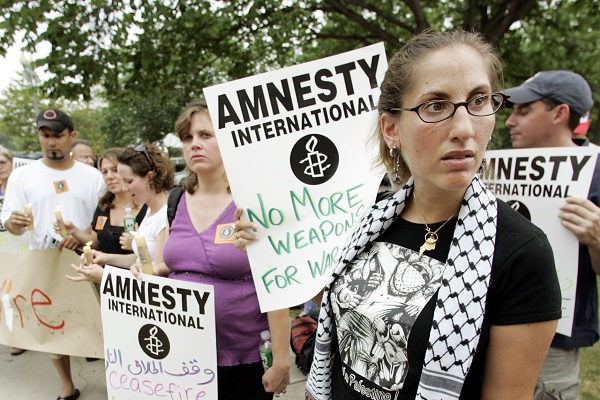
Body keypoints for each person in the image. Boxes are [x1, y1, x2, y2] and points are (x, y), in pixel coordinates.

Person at [273, 30, 561, 399]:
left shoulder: (521, 252)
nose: (464, 128)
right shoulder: (371, 221)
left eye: (479, 101)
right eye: (435, 105)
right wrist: (269, 241)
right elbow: (336, 298)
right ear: (391, 128)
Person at [132, 100, 291, 400]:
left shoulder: (252, 202)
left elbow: (276, 282)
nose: (195, 144)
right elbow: (169, 264)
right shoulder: (175, 200)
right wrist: (144, 271)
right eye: (188, 137)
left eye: (206, 135)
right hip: (182, 351)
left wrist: (281, 360)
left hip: (243, 358)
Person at [504, 70, 599, 400]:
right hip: (493, 327)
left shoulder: (596, 172)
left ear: (560, 114)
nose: (509, 122)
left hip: (554, 345)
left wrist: (598, 238)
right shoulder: (497, 169)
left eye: (524, 110)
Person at [0, 108, 105, 400]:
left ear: (71, 136)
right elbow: (12, 223)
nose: (51, 142)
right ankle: (67, 384)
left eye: (57, 135)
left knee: (97, 319)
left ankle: (117, 376)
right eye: (45, 135)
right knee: (53, 322)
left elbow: (103, 219)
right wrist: (14, 223)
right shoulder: (23, 176)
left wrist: (84, 236)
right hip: (43, 261)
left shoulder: (92, 176)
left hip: (86, 259)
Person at [68, 143, 172, 283]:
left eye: (129, 181)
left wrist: (104, 276)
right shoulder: (150, 211)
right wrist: (106, 258)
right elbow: (142, 259)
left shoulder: (164, 214)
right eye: (104, 172)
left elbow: (158, 275)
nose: (125, 188)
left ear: (150, 177)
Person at [0, 145, 27, 357]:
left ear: (11, 162)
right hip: (3, 251)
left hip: (23, 249)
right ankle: (13, 335)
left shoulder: (21, 187)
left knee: (20, 292)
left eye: (2, 162)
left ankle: (25, 333)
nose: (0, 168)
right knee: (5, 295)